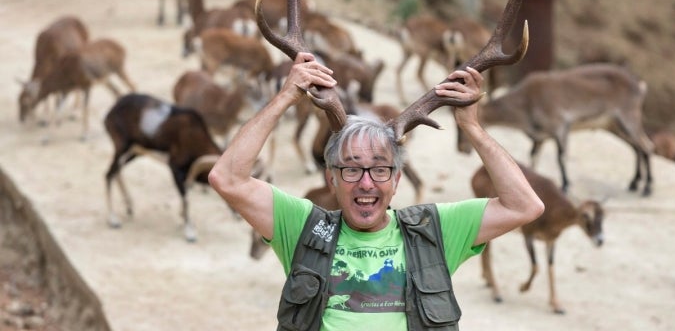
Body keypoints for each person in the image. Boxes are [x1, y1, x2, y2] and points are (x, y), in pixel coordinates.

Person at [209, 51, 544, 330]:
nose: (366, 183)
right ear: (332, 180)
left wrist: (472, 126)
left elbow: (523, 206)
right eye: (351, 168)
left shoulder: (432, 232)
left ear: (396, 180)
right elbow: (228, 178)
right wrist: (285, 97)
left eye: (380, 169)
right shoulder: (303, 228)